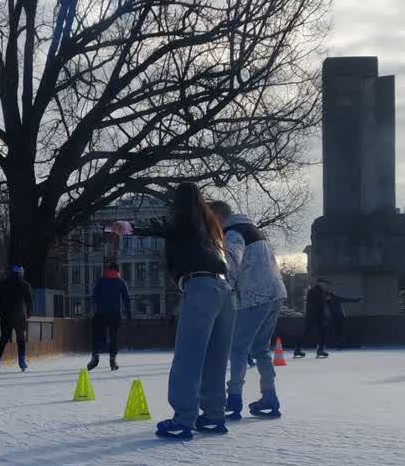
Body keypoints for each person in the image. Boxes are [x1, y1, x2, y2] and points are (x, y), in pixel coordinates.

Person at [111, 182, 232, 439]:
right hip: (224, 291)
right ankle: (214, 416)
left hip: (200, 287)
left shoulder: (186, 218)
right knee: (216, 358)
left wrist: (132, 227)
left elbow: (163, 225)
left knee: (189, 355)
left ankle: (183, 419)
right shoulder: (211, 227)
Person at [211, 202, 287, 420]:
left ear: (218, 217)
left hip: (254, 295)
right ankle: (270, 396)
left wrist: (221, 281)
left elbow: (232, 260)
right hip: (275, 293)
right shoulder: (255, 230)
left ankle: (233, 399)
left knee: (238, 348)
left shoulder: (233, 233)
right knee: (261, 348)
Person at [0, 264, 35, 371]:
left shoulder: (3, 283)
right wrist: (29, 312)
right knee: (20, 338)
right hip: (19, 315)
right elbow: (29, 301)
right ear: (21, 273)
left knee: (4, 338)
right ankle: (22, 361)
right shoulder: (25, 285)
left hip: (5, 314)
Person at [87, 261, 132, 371]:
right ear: (117, 271)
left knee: (97, 335)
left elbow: (94, 296)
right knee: (113, 336)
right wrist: (128, 314)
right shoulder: (121, 282)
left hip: (100, 313)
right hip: (114, 314)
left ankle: (95, 355)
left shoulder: (101, 281)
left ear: (108, 270)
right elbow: (126, 299)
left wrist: (93, 309)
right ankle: (112, 359)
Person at [294, 279, 332, 358]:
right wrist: (327, 299)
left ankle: (298, 349)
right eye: (325, 285)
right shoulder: (319, 291)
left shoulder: (313, 290)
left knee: (306, 333)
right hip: (318, 315)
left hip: (311, 315)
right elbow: (320, 303)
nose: (326, 287)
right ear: (321, 283)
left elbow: (315, 303)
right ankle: (320, 350)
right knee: (322, 333)